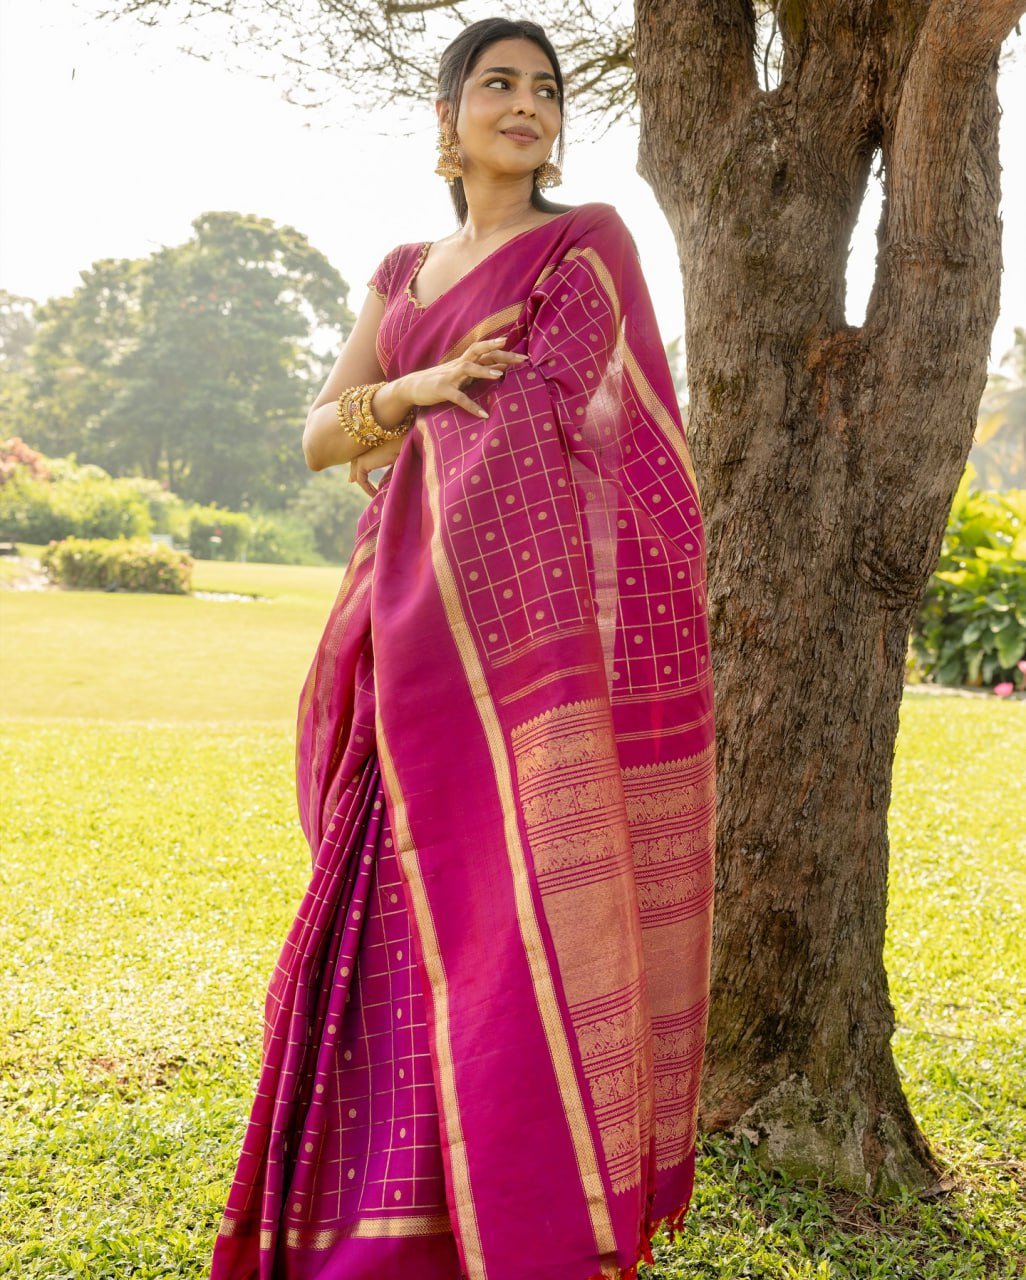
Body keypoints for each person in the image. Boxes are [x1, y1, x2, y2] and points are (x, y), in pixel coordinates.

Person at [209, 17, 716, 1280]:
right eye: (498, 84)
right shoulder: (404, 269)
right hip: (398, 647)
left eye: (546, 88)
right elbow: (319, 435)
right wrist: (414, 394)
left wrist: (415, 426)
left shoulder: (587, 243)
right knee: (381, 927)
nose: (527, 104)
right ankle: (360, 1227)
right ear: (449, 116)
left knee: (508, 920)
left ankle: (518, 1218)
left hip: (508, 662)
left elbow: (559, 413)